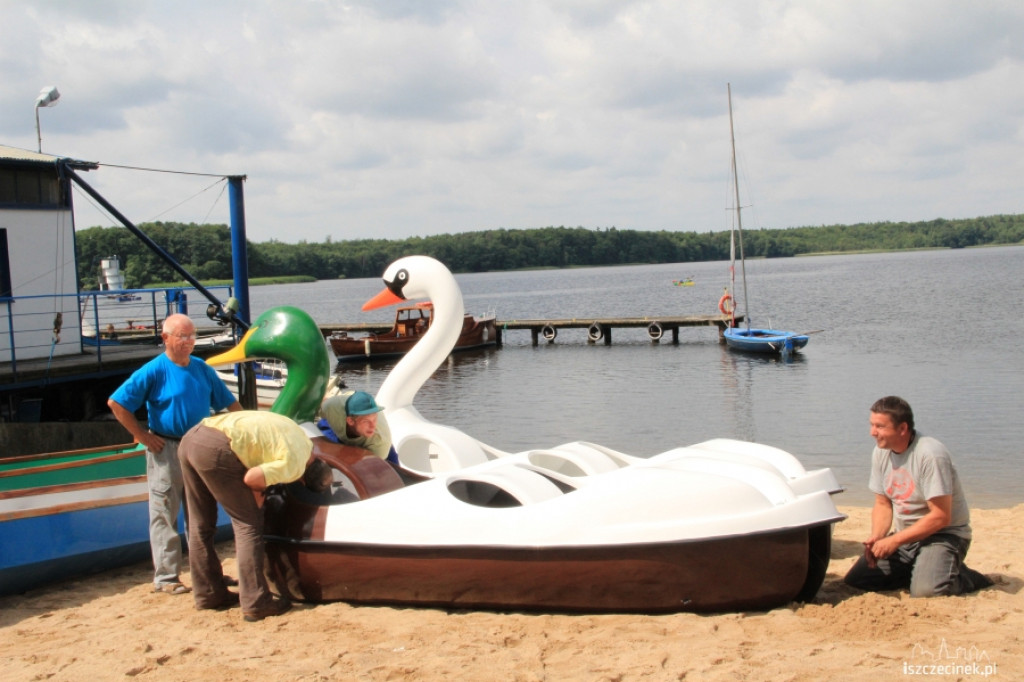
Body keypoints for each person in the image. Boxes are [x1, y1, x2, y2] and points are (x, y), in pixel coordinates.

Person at [108, 313, 242, 595]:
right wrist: (143, 436)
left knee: (201, 514)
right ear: (166, 338)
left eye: (192, 336)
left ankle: (206, 573)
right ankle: (167, 577)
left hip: (198, 446)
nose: (188, 342)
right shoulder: (153, 370)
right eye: (182, 336)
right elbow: (117, 403)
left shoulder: (201, 368)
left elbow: (229, 404)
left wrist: (247, 429)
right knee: (164, 513)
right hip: (166, 447)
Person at [178, 410, 330, 621]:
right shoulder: (296, 467)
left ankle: (208, 594)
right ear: (303, 480)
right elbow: (252, 478)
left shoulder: (304, 440)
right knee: (247, 524)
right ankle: (256, 601)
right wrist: (258, 495)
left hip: (194, 436)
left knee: (200, 524)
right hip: (218, 448)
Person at [843, 396, 992, 597]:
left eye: (880, 426)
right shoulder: (881, 452)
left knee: (926, 593)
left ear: (902, 429)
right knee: (857, 581)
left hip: (944, 535)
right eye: (871, 425)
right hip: (907, 536)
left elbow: (941, 516)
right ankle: (925, 569)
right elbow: (882, 504)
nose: (872, 433)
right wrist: (878, 537)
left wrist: (894, 541)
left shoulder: (930, 454)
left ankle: (964, 577)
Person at [319, 390, 399, 464]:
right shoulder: (331, 408)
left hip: (377, 447)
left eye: (374, 419)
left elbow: (370, 470)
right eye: (366, 421)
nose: (372, 426)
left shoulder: (379, 443)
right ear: (350, 421)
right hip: (341, 420)